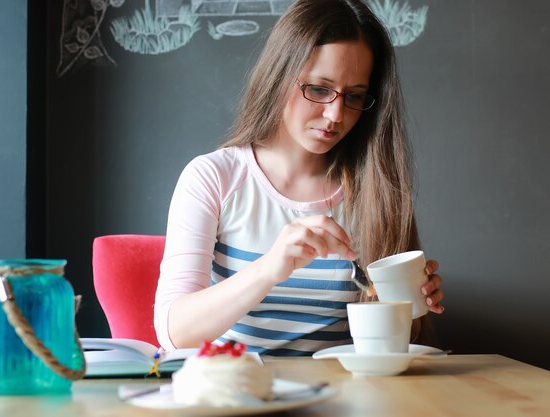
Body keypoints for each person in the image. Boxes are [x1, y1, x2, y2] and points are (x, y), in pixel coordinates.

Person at [154, 0, 444, 355]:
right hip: (238, 391)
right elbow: (173, 332)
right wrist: (269, 268)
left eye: (354, 96)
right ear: (279, 75)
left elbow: (398, 347)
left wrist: (411, 304)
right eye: (319, 89)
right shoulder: (214, 177)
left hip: (342, 397)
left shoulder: (377, 189)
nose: (336, 114)